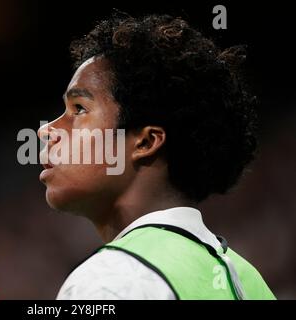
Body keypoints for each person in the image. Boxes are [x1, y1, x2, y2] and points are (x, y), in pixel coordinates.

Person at [37, 13, 275, 300]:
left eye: (79, 108)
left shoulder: (112, 281)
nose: (47, 131)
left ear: (146, 142)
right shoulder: (250, 282)